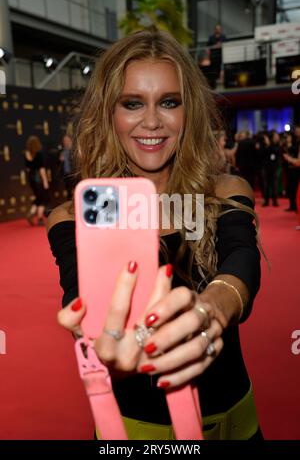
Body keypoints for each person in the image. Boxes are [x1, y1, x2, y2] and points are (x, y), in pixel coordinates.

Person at [47, 29, 262, 440]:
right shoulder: (74, 216)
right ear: (109, 113)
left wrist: (214, 306)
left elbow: (243, 260)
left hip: (234, 424)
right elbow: (79, 293)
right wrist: (95, 335)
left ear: (189, 112)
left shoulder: (224, 191)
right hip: (136, 431)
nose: (150, 121)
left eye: (168, 102)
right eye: (132, 103)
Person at [25, 135, 49, 225]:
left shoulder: (27, 154)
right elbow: (41, 169)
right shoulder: (39, 154)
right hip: (38, 178)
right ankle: (39, 218)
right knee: (42, 198)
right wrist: (45, 181)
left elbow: (28, 169)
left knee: (38, 197)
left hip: (31, 178)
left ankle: (32, 212)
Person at [59, 134, 74, 200]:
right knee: (69, 193)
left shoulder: (75, 151)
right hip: (66, 175)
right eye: (64, 141)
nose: (65, 142)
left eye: (67, 140)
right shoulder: (62, 152)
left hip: (74, 174)